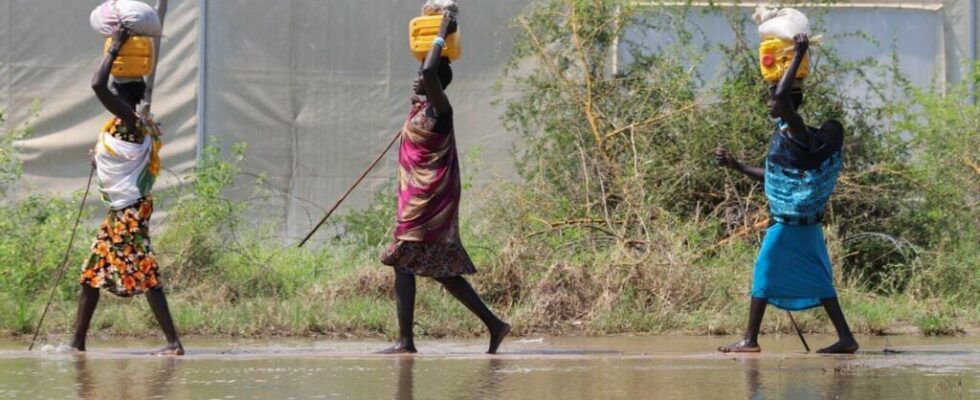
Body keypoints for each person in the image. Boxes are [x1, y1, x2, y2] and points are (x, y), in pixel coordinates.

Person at [715, 34, 858, 354]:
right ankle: (846, 338)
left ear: (788, 103)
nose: (770, 103)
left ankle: (750, 340)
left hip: (789, 223)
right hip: (804, 223)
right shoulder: (793, 137)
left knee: (764, 269)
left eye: (773, 98)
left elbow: (781, 99)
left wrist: (799, 55)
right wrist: (737, 166)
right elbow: (781, 176)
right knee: (819, 278)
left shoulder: (799, 131)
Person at [379, 12, 511, 354]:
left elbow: (428, 70)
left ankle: (406, 342)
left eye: (424, 75)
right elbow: (425, 74)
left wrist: (441, 30)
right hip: (420, 199)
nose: (417, 78)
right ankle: (495, 325)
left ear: (435, 82)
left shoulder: (442, 111)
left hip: (429, 201)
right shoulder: (421, 111)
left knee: (403, 261)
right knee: (436, 268)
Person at [71, 27, 184, 356]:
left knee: (146, 273)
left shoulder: (133, 119)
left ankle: (173, 344)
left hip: (129, 213)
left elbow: (96, 84)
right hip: (122, 211)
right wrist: (100, 161)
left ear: (122, 97)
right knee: (91, 275)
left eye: (115, 93)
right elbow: (124, 163)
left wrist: (115, 47)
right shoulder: (129, 126)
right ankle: (76, 344)